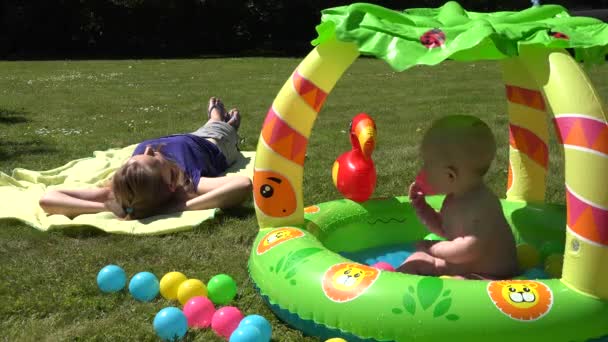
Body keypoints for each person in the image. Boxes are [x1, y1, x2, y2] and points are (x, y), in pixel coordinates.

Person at [39, 97, 252, 220]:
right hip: (213, 144)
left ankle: (217, 119)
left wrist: (110, 208)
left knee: (206, 129)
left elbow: (48, 199)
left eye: (138, 157)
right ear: (169, 182)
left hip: (185, 138)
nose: (148, 149)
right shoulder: (187, 181)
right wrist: (182, 207)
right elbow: (242, 185)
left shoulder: (124, 191)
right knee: (220, 130)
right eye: (154, 159)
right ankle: (224, 122)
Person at [397, 115, 518, 279]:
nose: (423, 171)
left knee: (459, 284)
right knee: (417, 259)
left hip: (491, 275)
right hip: (460, 265)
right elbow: (444, 229)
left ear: (450, 176)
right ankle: (397, 287)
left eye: (427, 165)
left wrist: (434, 248)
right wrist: (422, 208)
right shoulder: (453, 198)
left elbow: (468, 248)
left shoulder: (483, 204)